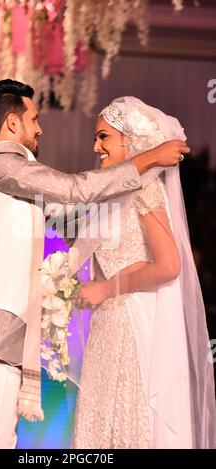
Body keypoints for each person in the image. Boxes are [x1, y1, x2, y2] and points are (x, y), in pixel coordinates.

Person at [0, 80, 188, 449]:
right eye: (33, 118)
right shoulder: (2, 159)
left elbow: (72, 221)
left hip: (5, 328)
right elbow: (73, 190)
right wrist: (147, 159)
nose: (39, 127)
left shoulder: (14, 180)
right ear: (13, 124)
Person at [71, 97, 216, 449]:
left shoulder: (145, 189)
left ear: (129, 140)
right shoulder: (110, 195)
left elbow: (169, 265)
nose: (96, 146)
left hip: (134, 326)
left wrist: (107, 288)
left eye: (103, 137)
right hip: (108, 327)